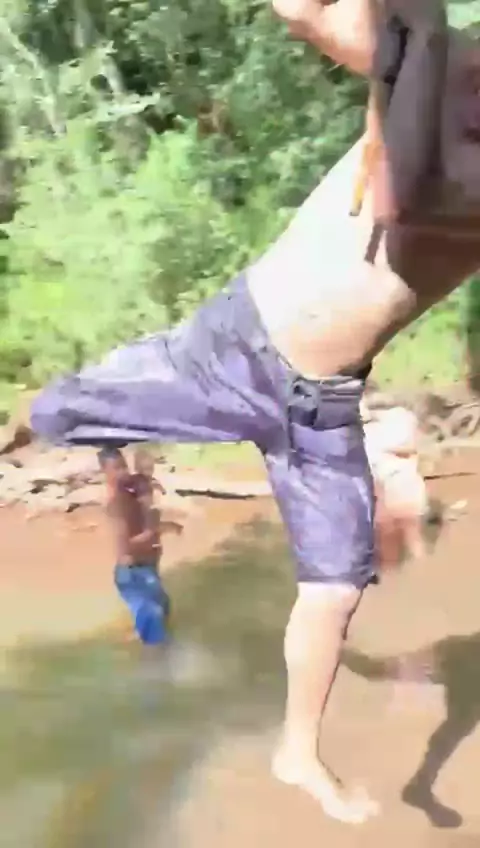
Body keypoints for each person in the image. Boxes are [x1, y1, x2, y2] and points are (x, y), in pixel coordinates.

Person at [30, 0, 480, 824]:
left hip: (322, 407)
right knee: (55, 412)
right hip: (231, 348)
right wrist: (406, 35)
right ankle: (124, 490)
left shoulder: (427, 66)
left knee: (337, 587)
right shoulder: (435, 55)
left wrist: (410, 55)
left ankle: (297, 753)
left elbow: (403, 199)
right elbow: (298, 9)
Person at [98, 446, 181, 645]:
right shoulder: (116, 505)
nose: (123, 472)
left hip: (147, 569)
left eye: (124, 466)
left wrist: (157, 525)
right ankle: (154, 659)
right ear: (105, 472)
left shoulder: (131, 494)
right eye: (117, 468)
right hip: (134, 573)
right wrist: (155, 531)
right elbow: (126, 547)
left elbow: (144, 483)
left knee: (163, 611)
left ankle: (138, 641)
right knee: (154, 622)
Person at [363, 403, 428, 566]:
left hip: (395, 483)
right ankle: (420, 571)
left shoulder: (392, 422)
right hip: (394, 483)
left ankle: (408, 572)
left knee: (400, 533)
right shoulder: (402, 418)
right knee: (402, 534)